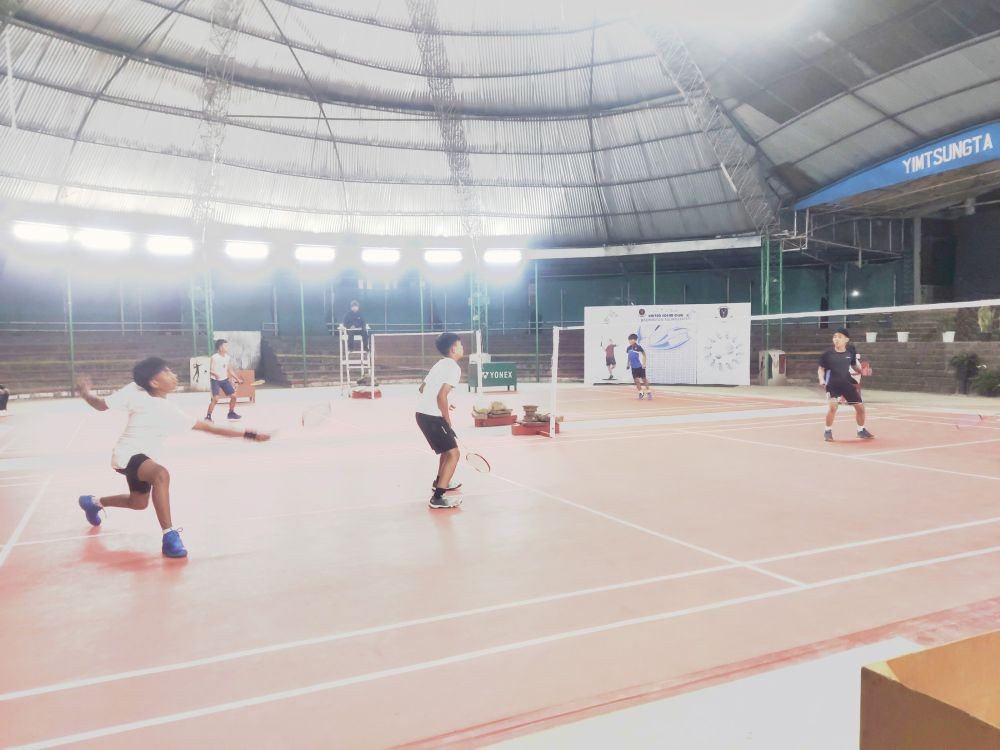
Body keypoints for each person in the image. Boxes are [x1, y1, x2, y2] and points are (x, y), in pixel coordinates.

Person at [77, 358, 269, 557]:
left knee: (139, 503)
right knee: (161, 474)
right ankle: (169, 537)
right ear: (154, 382)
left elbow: (210, 428)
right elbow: (101, 404)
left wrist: (249, 434)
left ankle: (93, 503)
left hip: (141, 459)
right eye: (167, 372)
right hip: (127, 454)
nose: (174, 375)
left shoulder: (153, 399)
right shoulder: (140, 393)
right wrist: (86, 394)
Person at [416, 332, 464, 509]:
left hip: (422, 414)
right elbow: (441, 395)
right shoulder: (454, 368)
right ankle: (438, 497)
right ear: (453, 349)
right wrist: (447, 418)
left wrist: (443, 404)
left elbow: (422, 388)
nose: (462, 348)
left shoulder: (439, 364)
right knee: (454, 453)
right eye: (460, 345)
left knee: (446, 450)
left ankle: (440, 481)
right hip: (432, 417)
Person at [818, 328, 874, 442]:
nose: (836, 339)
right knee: (833, 407)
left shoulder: (850, 351)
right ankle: (827, 431)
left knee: (860, 408)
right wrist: (821, 380)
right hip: (832, 384)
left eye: (839, 336)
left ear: (846, 339)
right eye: (834, 336)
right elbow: (821, 369)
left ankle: (861, 430)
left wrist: (862, 371)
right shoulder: (827, 354)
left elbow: (853, 365)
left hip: (846, 383)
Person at [205, 339, 243, 422]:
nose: (227, 347)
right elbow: (210, 370)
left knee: (234, 396)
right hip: (215, 381)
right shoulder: (214, 357)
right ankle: (208, 416)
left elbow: (229, 370)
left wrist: (237, 379)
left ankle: (231, 413)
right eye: (225, 346)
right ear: (220, 347)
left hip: (224, 380)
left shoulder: (227, 357)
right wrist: (215, 374)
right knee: (215, 399)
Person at [626, 333, 652, 400]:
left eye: (632, 339)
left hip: (640, 366)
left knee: (644, 380)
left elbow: (644, 355)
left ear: (635, 340)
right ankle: (641, 393)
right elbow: (629, 356)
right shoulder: (628, 348)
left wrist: (644, 364)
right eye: (629, 340)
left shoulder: (638, 347)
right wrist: (628, 364)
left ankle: (649, 392)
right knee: (636, 381)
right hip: (633, 367)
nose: (630, 341)